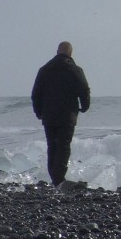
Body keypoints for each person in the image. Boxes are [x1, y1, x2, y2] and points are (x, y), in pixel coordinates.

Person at [31, 41, 91, 189]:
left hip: (48, 114)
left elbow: (36, 93)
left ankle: (55, 177)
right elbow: (84, 90)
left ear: (57, 51)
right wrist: (85, 106)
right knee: (63, 145)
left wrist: (38, 111)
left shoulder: (44, 69)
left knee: (52, 145)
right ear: (71, 53)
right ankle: (59, 178)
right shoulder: (75, 70)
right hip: (67, 114)